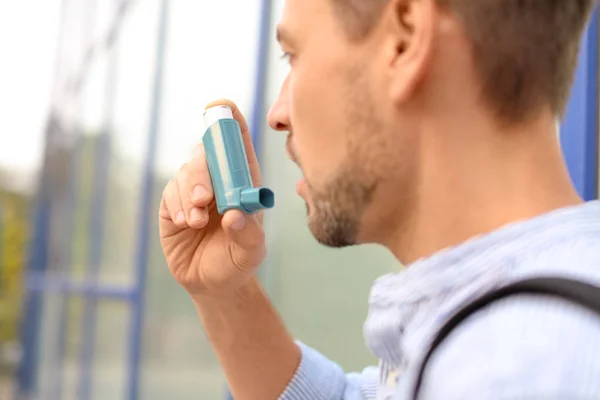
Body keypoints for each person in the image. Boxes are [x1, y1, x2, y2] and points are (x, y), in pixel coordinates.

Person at [158, 0, 600, 398]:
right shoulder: (510, 328)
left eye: (294, 55)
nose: (278, 115)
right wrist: (223, 293)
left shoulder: (512, 373)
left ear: (406, 38)